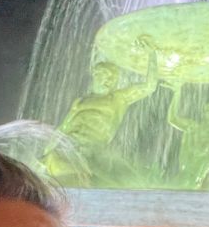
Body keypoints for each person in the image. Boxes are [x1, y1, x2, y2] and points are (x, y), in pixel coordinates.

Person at [43, 40, 160, 185]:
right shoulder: (80, 101)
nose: (109, 81)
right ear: (95, 76)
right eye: (105, 76)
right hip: (70, 144)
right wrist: (46, 152)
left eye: (113, 78)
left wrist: (152, 54)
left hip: (93, 150)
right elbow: (63, 127)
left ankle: (92, 176)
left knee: (88, 174)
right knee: (54, 163)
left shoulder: (117, 98)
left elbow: (149, 87)